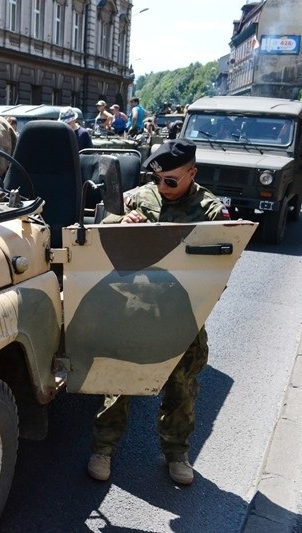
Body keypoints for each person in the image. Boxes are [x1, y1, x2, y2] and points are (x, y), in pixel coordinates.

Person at [87, 139, 229, 486]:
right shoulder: (140, 197)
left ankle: (177, 453)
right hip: (132, 307)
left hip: (182, 314)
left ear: (192, 173)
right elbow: (98, 238)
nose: (162, 188)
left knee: (181, 388)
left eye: (171, 181)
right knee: (118, 381)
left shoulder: (210, 210)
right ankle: (103, 448)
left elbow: (224, 261)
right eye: (158, 179)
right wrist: (121, 224)